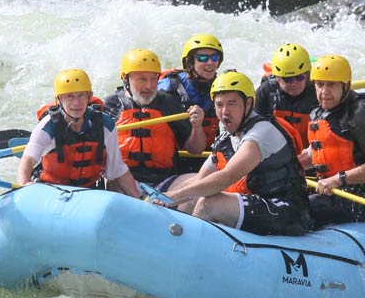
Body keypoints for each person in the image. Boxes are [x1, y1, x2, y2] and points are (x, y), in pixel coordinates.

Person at [157, 71, 312, 236]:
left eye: (232, 104)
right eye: (219, 105)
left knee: (209, 203)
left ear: (248, 103)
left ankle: (191, 249)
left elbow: (226, 177)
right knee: (193, 194)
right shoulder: (225, 136)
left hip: (287, 212)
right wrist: (166, 198)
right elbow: (200, 179)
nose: (225, 112)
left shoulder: (261, 132)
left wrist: (178, 195)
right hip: (255, 204)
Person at [299, 55, 365, 225]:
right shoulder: (319, 112)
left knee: (304, 207)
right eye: (319, 85)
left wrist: (337, 180)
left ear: (345, 85)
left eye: (331, 85)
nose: (324, 91)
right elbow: (316, 153)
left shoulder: (361, 111)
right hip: (340, 190)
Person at [17, 69, 139, 198]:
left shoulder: (104, 124)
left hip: (89, 193)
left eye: (81, 95)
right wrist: (24, 184)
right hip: (52, 193)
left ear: (89, 96)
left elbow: (117, 170)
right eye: (70, 96)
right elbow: (27, 161)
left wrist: (140, 201)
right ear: (59, 99)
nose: (77, 103)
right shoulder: (47, 127)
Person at [102, 49, 207, 186]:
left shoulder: (169, 103)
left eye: (153, 79)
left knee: (200, 181)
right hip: (122, 180)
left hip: (164, 181)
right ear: (126, 78)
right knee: (110, 180)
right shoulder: (112, 104)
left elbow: (196, 149)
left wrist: (197, 127)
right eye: (142, 79)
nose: (150, 86)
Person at [158, 34, 223, 146]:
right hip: (176, 156)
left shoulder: (222, 86)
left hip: (207, 155)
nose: (210, 63)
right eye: (202, 58)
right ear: (190, 62)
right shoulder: (169, 86)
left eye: (214, 57)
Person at [254, 43, 318, 151]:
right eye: (287, 79)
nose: (294, 83)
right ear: (277, 78)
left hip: (310, 154)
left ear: (307, 75)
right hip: (276, 154)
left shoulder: (319, 93)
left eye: (299, 77)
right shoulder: (265, 92)